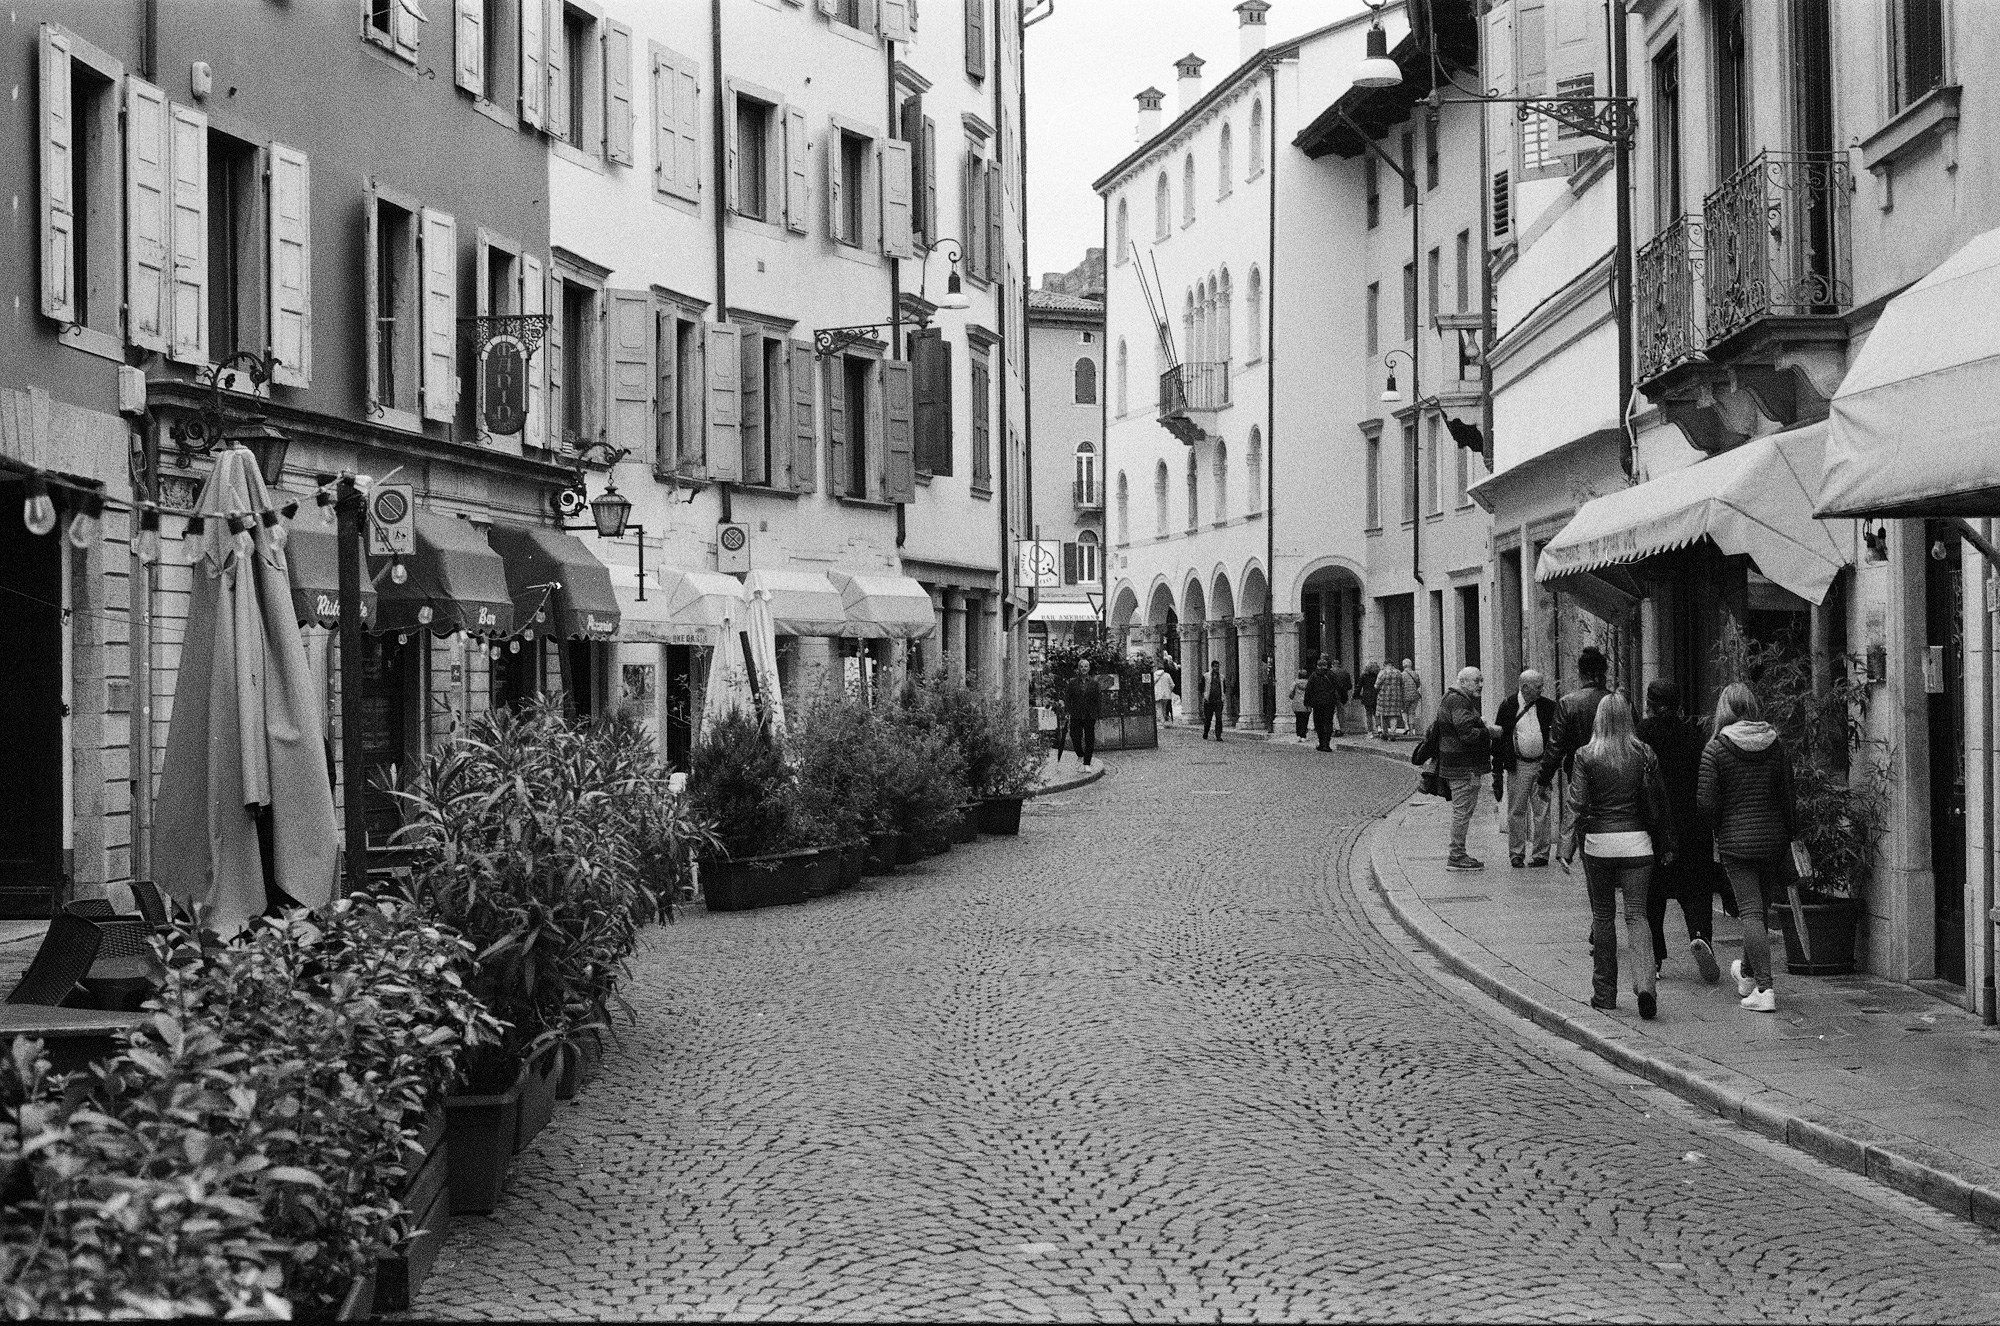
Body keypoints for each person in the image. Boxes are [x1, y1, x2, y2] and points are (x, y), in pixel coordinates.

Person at [1563, 691, 1675, 1019]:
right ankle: (1645, 987)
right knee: (1637, 916)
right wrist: (1667, 844)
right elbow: (1661, 802)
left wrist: (1565, 847)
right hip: (1638, 842)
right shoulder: (1644, 753)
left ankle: (1605, 994)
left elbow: (1577, 803)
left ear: (1599, 718)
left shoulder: (1586, 755)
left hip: (1599, 843)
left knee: (1603, 916)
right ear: (1629, 718)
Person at [1697, 683, 1796, 1013]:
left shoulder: (1716, 748)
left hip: (1737, 843)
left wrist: (1720, 828)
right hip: (1772, 840)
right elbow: (1787, 797)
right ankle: (1749, 975)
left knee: (1752, 915)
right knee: (1759, 910)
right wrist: (1790, 835)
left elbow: (1706, 804)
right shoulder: (1775, 742)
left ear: (1724, 708)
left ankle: (1765, 990)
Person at [1637, 680, 1721, 984]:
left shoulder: (1640, 735)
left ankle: (1656, 959)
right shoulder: (1693, 735)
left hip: (1655, 826)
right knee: (1696, 889)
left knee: (1652, 894)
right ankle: (1700, 937)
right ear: (1679, 705)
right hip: (1692, 824)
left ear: (1649, 703)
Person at [1538, 645, 1614, 850]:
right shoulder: (1618, 701)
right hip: (1616, 769)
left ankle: (1591, 864)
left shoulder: (1568, 703)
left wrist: (1543, 780)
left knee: (1584, 820)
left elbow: (1555, 746)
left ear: (1580, 674)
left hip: (1581, 773)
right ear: (1604, 672)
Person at [1435, 667, 1500, 871]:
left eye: (1481, 680)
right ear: (1463, 682)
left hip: (1458, 764)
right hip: (1463, 766)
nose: (1481, 684)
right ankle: (1456, 855)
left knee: (1462, 811)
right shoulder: (1459, 700)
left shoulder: (1452, 698)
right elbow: (1467, 734)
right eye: (1476, 681)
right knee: (1462, 812)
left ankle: (1458, 853)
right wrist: (1489, 731)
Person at [1492, 669, 1557, 868]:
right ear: (1525, 687)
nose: (1541, 690)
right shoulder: (1508, 705)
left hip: (1540, 765)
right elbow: (1499, 740)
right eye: (1537, 687)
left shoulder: (1548, 706)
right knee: (1516, 811)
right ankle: (1516, 853)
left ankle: (1541, 854)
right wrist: (1497, 772)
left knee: (1542, 810)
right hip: (1518, 765)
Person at [1062, 660, 1101, 768]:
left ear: (1089, 668)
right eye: (1082, 666)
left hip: (1089, 715)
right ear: (1079, 668)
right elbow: (1067, 698)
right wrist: (1067, 711)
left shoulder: (1094, 683)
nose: (1084, 668)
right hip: (1076, 714)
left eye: (1086, 666)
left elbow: (1098, 699)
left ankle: (1087, 762)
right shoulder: (1072, 682)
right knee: (1075, 737)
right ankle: (1080, 754)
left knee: (1089, 738)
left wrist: (1099, 714)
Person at [1304, 656, 1341, 751]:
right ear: (1326, 666)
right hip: (1329, 702)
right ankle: (1326, 743)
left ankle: (1321, 742)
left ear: (1317, 666)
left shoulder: (1313, 675)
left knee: (1318, 723)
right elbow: (1338, 686)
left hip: (1317, 703)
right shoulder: (1331, 675)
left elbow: (1308, 689)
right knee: (1328, 722)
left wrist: (1307, 702)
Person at [1375, 659, 1407, 739]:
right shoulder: (1398, 673)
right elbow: (1402, 685)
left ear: (1385, 664)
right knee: (1394, 716)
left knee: (1384, 716)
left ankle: (1385, 733)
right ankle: (1393, 733)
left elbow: (1376, 685)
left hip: (1383, 698)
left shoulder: (1382, 673)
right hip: (1396, 698)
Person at [1327, 658, 1353, 739]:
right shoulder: (1345, 673)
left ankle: (1337, 728)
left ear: (1332, 665)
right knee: (1341, 712)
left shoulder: (1329, 673)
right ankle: (1342, 728)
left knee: (1334, 712)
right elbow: (1350, 686)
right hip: (1343, 695)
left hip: (1333, 694)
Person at [1200, 660, 1226, 741]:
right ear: (1212, 667)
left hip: (1218, 701)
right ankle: (1206, 732)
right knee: (1208, 719)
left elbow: (1224, 688)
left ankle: (1218, 735)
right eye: (1215, 666)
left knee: (1219, 718)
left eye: (1217, 666)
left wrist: (1222, 696)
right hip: (1209, 701)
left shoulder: (1222, 677)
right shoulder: (1206, 676)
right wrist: (1204, 696)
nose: (1216, 668)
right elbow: (1201, 687)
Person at [1401, 659, 1425, 734]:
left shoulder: (1402, 675)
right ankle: (1411, 731)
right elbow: (1418, 684)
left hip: (1405, 696)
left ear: (1403, 665)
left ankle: (1406, 726)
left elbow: (1401, 686)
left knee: (1404, 711)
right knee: (1412, 712)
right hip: (1415, 696)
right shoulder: (1415, 673)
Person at [1357, 661, 1380, 737]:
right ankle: (1379, 727)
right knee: (1376, 713)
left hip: (1367, 696)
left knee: (1369, 714)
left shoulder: (1364, 676)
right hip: (1376, 695)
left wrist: (1356, 695)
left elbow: (1359, 686)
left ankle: (1370, 731)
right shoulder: (1377, 675)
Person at [1288, 668, 1312, 741]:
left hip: (1297, 703)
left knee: (1298, 719)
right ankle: (1303, 735)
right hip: (1306, 703)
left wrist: (1293, 697)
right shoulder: (1309, 683)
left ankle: (1298, 734)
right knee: (1305, 719)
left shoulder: (1295, 683)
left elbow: (1291, 693)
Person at [1260, 655, 1277, 734]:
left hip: (1264, 685)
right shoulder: (1267, 666)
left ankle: (1268, 719)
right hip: (1268, 685)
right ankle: (1268, 719)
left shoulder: (1261, 666)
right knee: (1268, 702)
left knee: (1266, 703)